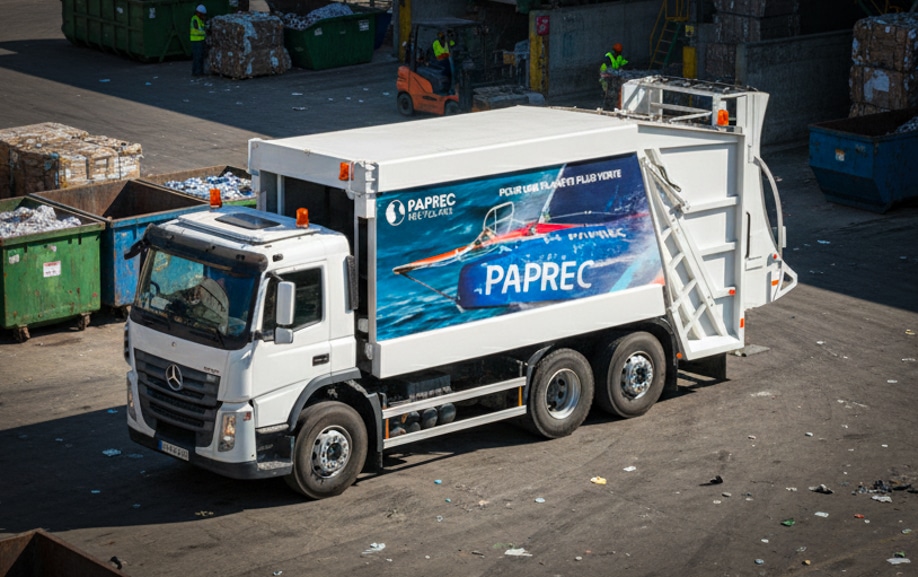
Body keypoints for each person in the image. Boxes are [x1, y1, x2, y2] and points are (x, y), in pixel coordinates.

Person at [599, 43, 628, 108]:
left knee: (614, 89)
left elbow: (623, 63)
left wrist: (626, 64)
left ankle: (613, 103)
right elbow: (608, 67)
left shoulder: (619, 57)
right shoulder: (608, 56)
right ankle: (606, 104)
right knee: (606, 90)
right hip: (605, 75)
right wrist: (616, 72)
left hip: (613, 75)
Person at [190, 4, 207, 76]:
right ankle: (197, 72)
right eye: (202, 15)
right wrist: (205, 32)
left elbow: (202, 27)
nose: (203, 16)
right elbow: (197, 29)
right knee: (197, 57)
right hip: (196, 41)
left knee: (200, 57)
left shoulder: (200, 20)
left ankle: (199, 71)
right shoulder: (195, 19)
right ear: (199, 13)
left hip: (200, 41)